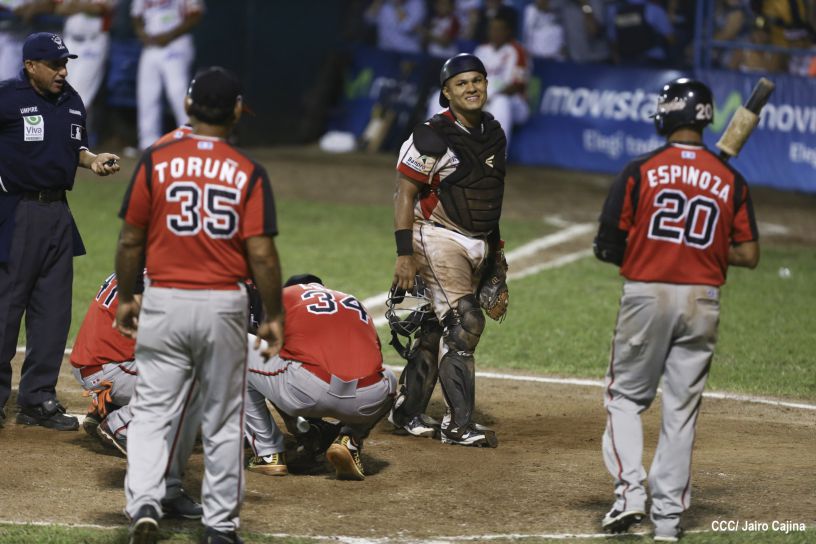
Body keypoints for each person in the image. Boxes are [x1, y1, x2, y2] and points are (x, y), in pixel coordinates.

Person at [115, 66, 283, 544]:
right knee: (223, 418)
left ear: (187, 106)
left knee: (151, 410)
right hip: (222, 305)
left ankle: (146, 500)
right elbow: (263, 254)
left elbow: (130, 240)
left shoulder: (156, 160)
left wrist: (127, 296)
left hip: (164, 298)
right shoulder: (248, 170)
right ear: (235, 111)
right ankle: (220, 527)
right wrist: (272, 314)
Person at [593, 78, 759, 541]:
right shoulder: (730, 180)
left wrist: (655, 244)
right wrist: (698, 247)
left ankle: (629, 496)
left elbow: (606, 246)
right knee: (681, 411)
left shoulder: (640, 170)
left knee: (625, 399)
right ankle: (667, 520)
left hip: (647, 295)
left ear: (666, 115)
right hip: (703, 301)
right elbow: (748, 254)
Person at [0, 31, 120, 431]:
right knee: (5, 310)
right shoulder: (7, 97)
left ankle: (37, 399)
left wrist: (93, 160)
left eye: (65, 63)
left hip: (58, 214)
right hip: (16, 212)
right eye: (54, 64)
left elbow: (76, 148)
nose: (62, 71)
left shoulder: (72, 101)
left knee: (53, 313)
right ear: (30, 65)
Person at [390, 53, 508, 448]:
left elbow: (489, 200)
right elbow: (404, 194)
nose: (472, 87)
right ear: (446, 92)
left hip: (476, 240)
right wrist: (404, 254)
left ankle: (407, 411)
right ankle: (458, 425)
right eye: (461, 83)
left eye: (478, 80)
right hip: (435, 234)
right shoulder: (431, 136)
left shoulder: (493, 132)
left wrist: (496, 261)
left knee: (434, 327)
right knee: (467, 321)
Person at [70, 269, 205, 520]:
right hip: (109, 369)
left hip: (100, 364)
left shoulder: (139, 266)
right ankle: (121, 424)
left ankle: (106, 407)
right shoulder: (159, 280)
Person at [244, 274, 396, 481]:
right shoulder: (351, 301)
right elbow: (375, 353)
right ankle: (350, 439)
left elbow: (270, 346)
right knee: (389, 378)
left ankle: (267, 453)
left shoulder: (285, 296)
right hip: (366, 401)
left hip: (306, 394)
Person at [130, 0, 203, 151]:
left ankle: (191, 139)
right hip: (151, 45)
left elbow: (195, 15)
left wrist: (170, 35)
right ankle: (147, 144)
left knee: (177, 93)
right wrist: (141, 33)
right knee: (147, 95)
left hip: (175, 43)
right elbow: (136, 15)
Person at [473, 13, 531, 151]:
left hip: (515, 102)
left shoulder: (517, 51)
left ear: (508, 31)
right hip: (483, 99)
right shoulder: (481, 50)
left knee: (500, 101)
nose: (495, 32)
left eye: (499, 29)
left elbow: (517, 85)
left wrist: (490, 97)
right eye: (492, 28)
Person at [56, 0, 117, 117]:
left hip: (93, 43)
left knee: (80, 96)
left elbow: (101, 9)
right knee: (61, 92)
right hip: (70, 41)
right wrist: (85, 6)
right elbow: (60, 9)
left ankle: (73, 133)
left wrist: (74, 5)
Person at [606, 0, 674, 65]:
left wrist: (616, 58)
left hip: (625, 60)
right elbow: (670, 38)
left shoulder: (613, 10)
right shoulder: (653, 9)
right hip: (652, 61)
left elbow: (613, 38)